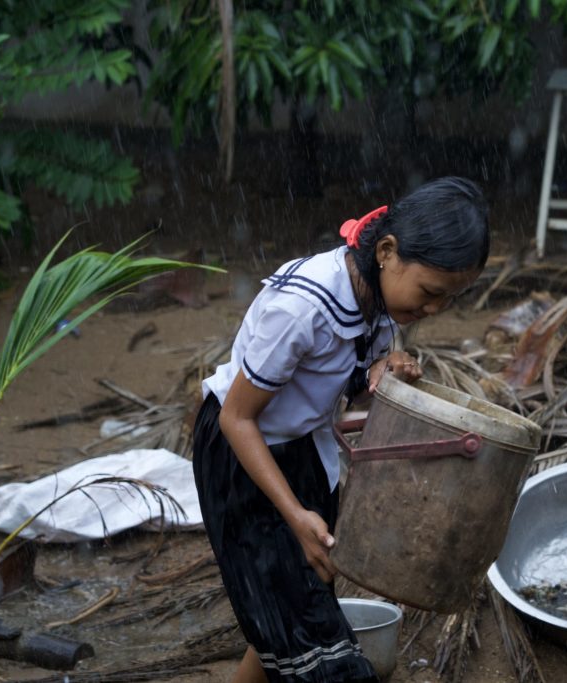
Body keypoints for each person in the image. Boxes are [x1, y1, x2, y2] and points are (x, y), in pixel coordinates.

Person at [192, 176, 490, 682]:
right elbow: (236, 417)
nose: (434, 309)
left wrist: (382, 373)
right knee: (317, 648)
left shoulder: (380, 297)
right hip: (242, 459)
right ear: (388, 251)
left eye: (449, 299)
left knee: (288, 614)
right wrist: (295, 515)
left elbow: (336, 380)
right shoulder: (303, 307)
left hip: (302, 452)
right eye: (430, 293)